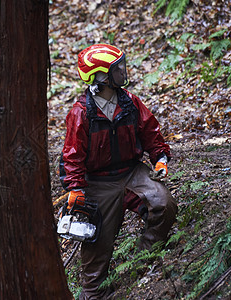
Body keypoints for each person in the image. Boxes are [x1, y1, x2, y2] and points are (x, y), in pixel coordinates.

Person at [60, 44, 178, 299]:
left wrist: (160, 159)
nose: (123, 72)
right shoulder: (81, 112)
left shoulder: (130, 101)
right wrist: (76, 189)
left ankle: (141, 266)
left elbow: (151, 133)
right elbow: (72, 155)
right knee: (96, 245)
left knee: (163, 204)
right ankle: (94, 294)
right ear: (101, 77)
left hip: (132, 172)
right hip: (98, 182)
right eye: (117, 69)